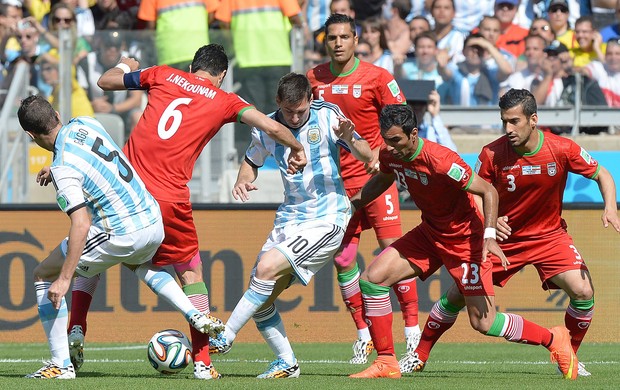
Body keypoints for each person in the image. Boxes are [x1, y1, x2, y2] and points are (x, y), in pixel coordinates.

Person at [67, 43, 307, 380]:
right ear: (221, 75)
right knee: (191, 272)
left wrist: (124, 64)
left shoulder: (163, 75)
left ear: (194, 65)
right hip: (167, 196)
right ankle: (203, 363)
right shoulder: (225, 100)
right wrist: (297, 147)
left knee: (93, 255)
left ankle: (76, 326)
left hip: (124, 189)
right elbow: (272, 127)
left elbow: (106, 82)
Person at [347, 103, 579, 380]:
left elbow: (488, 190)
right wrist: (355, 203)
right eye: (387, 141)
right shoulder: (390, 153)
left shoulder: (442, 160)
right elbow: (384, 177)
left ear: (413, 134)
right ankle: (386, 361)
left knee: (484, 322)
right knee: (372, 279)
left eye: (396, 140)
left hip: (465, 240)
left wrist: (489, 235)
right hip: (430, 233)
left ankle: (554, 339)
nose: (391, 147)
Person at [403, 88, 620, 378]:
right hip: (503, 240)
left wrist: (610, 207)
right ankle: (419, 354)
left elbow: (602, 174)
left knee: (583, 292)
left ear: (533, 119)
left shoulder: (561, 148)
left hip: (549, 236)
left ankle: (569, 355)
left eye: (514, 121)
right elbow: (475, 194)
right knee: (457, 295)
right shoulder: (492, 154)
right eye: (504, 121)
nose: (508, 128)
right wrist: (490, 222)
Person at [18, 95, 222, 379]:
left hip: (122, 231)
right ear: (55, 113)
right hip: (152, 219)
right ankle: (194, 313)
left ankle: (61, 364)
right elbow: (94, 157)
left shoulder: (64, 168)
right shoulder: (85, 123)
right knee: (137, 264)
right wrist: (55, 167)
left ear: (30, 135)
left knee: (44, 273)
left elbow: (81, 224)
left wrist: (64, 278)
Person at [209, 72, 372, 378]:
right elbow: (252, 161)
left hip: (327, 218)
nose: (295, 118)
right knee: (260, 300)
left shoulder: (328, 116)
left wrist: (350, 136)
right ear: (278, 103)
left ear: (311, 100)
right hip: (289, 219)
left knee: (266, 269)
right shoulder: (269, 126)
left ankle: (226, 335)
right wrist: (242, 181)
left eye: (301, 111)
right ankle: (288, 362)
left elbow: (367, 157)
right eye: (289, 111)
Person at [307, 13, 421, 365]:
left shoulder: (378, 78)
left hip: (376, 179)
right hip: (334, 185)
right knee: (342, 259)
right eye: (332, 38)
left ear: (356, 40)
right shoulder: (314, 79)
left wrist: (384, 156)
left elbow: (401, 120)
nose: (338, 43)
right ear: (325, 42)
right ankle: (363, 334)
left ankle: (412, 333)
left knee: (394, 253)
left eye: (344, 37)